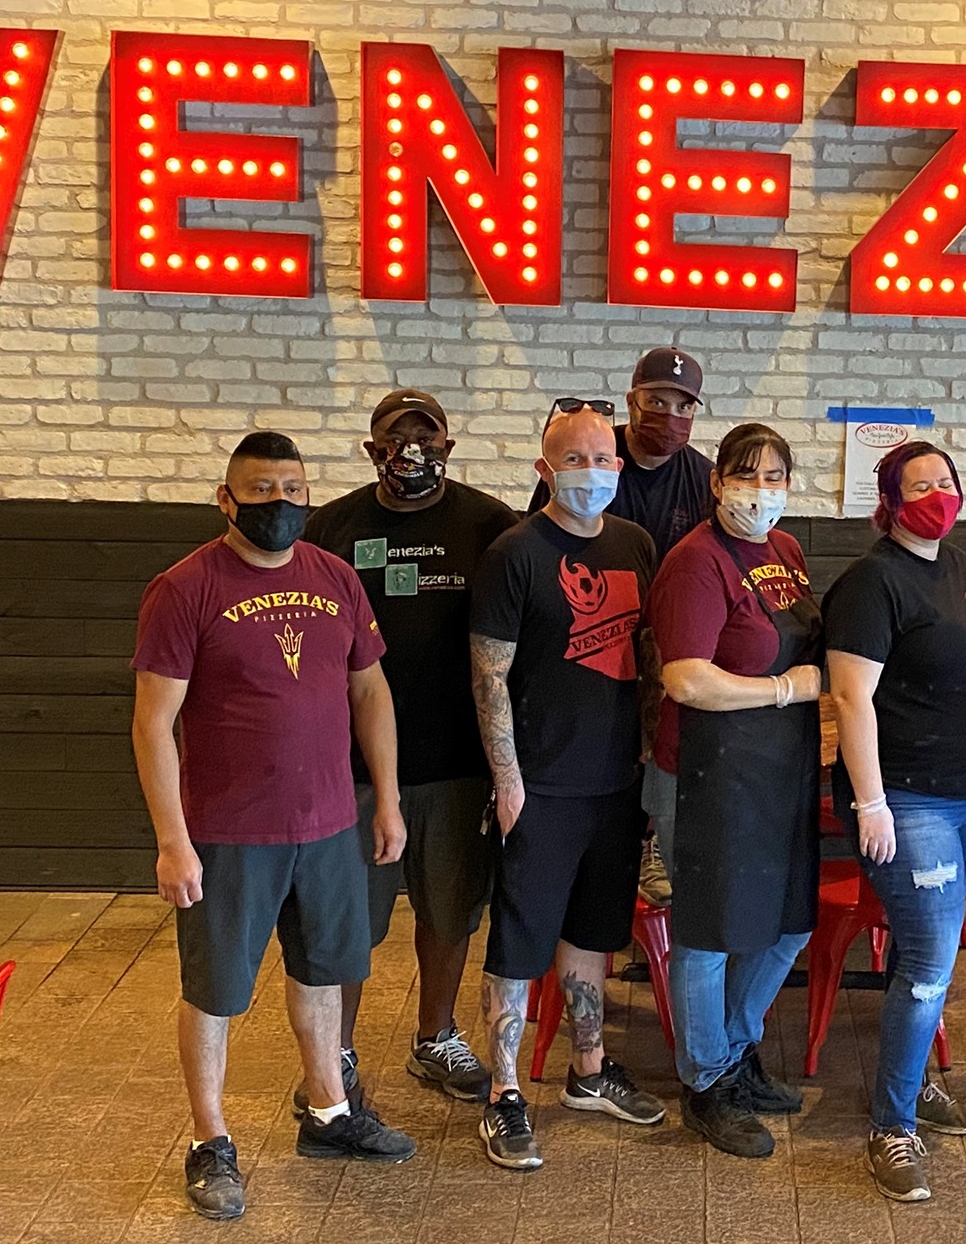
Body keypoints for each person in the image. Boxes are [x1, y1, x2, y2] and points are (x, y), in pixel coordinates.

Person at [130, 430, 417, 1224]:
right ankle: (209, 1139)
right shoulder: (184, 588)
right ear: (226, 499)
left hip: (328, 826)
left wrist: (385, 798)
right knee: (217, 990)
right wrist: (172, 838)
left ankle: (327, 1110)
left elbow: (371, 693)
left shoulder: (334, 577)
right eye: (260, 492)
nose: (279, 505)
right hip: (227, 834)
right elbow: (153, 725)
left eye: (292, 490)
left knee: (325, 973)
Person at [302, 389, 518, 1111]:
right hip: (353, 768)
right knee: (350, 923)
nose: (412, 453)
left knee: (450, 911)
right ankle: (338, 1049)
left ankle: (435, 1036)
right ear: (371, 450)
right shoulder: (331, 527)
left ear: (450, 448)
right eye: (397, 439)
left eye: (427, 439)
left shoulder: (489, 523)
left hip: (457, 761)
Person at [468, 400, 668, 1171]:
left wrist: (649, 756)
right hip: (540, 788)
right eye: (575, 459)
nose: (593, 471)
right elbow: (489, 676)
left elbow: (647, 662)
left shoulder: (636, 544)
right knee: (519, 943)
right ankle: (505, 1093)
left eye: (603, 458)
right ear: (543, 470)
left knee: (592, 935)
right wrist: (509, 782)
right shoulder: (515, 554)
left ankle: (589, 1072)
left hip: (615, 783)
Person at [824, 440, 966, 1205]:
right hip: (906, 798)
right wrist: (870, 802)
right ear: (890, 500)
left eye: (945, 481)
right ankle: (892, 1123)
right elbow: (851, 698)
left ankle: (909, 1082)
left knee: (922, 952)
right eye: (919, 484)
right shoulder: (873, 581)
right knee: (931, 959)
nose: (936, 493)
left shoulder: (962, 570)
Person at [648, 423, 823, 1159]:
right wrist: (786, 688)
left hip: (775, 769)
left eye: (775, 476)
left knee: (789, 922)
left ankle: (737, 1047)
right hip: (701, 774)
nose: (761, 490)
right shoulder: (694, 564)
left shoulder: (783, 552)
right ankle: (705, 1080)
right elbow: (685, 678)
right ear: (716, 483)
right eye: (746, 476)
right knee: (708, 933)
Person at [528, 347, 712, 909]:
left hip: (666, 641)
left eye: (682, 404)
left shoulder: (702, 478)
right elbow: (543, 543)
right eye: (656, 400)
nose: (668, 414)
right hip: (590, 632)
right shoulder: (589, 461)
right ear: (631, 401)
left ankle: (652, 841)